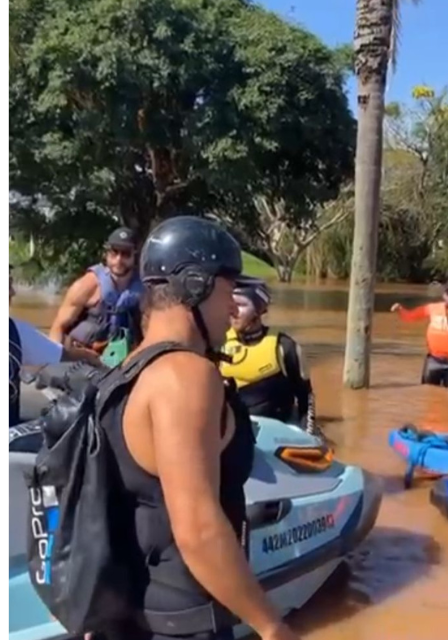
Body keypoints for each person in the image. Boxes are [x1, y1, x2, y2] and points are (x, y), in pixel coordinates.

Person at [92, 216, 300, 640]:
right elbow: (199, 531)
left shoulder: (125, 371)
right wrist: (272, 626)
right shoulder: (187, 376)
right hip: (184, 619)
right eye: (228, 290)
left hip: (130, 613)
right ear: (194, 286)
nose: (232, 307)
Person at [220, 278, 315, 429]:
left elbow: (306, 399)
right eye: (231, 304)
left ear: (258, 310)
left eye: (241, 305)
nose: (233, 311)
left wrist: (309, 433)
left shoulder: (284, 347)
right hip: (232, 430)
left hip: (276, 431)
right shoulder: (217, 342)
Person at [9, 274, 102, 425]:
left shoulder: (16, 332)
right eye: (7, 286)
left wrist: (92, 358)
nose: (12, 293)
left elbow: (62, 353)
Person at [48, 226, 145, 352]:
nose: (119, 260)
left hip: (126, 362)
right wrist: (56, 360)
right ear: (106, 254)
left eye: (125, 254)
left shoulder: (145, 290)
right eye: (114, 252)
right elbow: (58, 327)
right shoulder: (87, 285)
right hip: (82, 359)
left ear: (135, 256)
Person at [391, 280, 448, 390]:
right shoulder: (432, 308)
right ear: (444, 295)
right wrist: (400, 310)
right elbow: (410, 316)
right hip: (433, 360)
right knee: (427, 393)